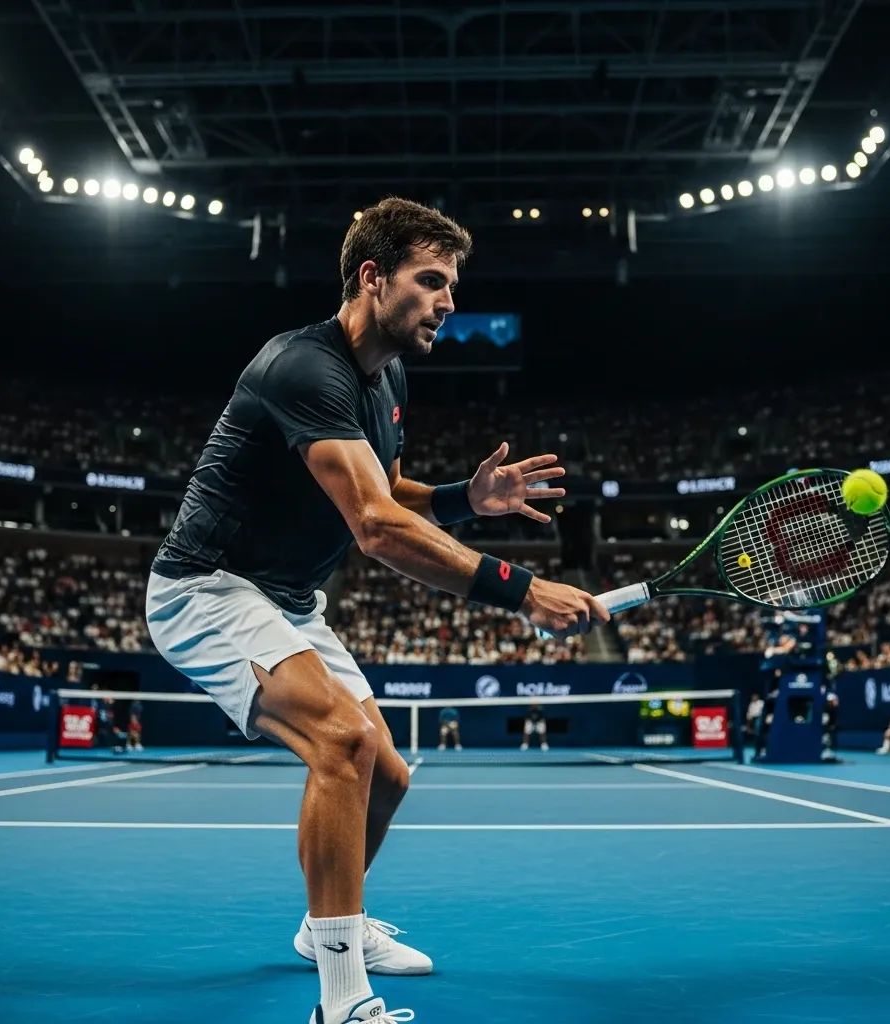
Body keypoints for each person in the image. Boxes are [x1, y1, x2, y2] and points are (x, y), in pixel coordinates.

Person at [145, 196, 610, 1024]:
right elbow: (373, 526)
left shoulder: (385, 377)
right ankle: (341, 999)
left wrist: (465, 500)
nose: (448, 301)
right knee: (344, 740)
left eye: (452, 285)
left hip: (286, 598)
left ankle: (329, 926)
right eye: (431, 281)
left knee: (387, 775)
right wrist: (521, 589)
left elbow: (385, 487)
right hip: (206, 587)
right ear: (372, 276)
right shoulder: (303, 365)